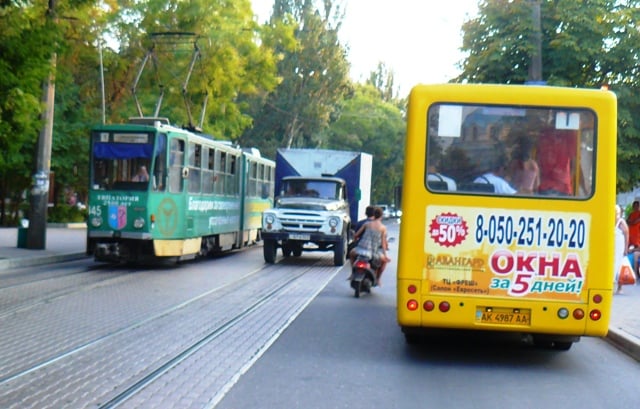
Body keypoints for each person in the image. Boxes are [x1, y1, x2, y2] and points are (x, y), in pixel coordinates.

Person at [536, 128, 587, 196]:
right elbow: (575, 164)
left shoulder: (543, 134)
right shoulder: (569, 134)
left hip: (545, 186)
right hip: (562, 187)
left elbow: (537, 160)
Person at [351, 207, 390, 286]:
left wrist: (355, 242)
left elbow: (356, 235)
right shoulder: (383, 228)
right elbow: (383, 243)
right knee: (384, 262)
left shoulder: (367, 224)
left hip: (360, 249)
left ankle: (353, 272)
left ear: (374, 215)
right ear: (381, 216)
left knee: (351, 254)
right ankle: (378, 279)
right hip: (373, 252)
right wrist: (385, 255)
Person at [614, 204, 629, 294]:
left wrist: (626, 249)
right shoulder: (608, 220)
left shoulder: (621, 222)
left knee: (619, 266)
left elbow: (627, 234)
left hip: (619, 248)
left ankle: (620, 288)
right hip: (611, 248)